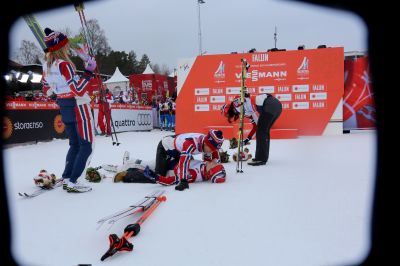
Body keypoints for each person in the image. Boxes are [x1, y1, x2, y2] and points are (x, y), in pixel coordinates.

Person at [41, 27, 96, 193]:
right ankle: (73, 181)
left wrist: (59, 93)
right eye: (65, 45)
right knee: (86, 146)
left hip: (64, 106)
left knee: (74, 144)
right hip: (78, 106)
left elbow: (46, 90)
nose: (68, 48)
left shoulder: (46, 65)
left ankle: (66, 177)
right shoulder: (65, 64)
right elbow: (78, 90)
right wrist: (88, 72)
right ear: (60, 47)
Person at [90, 151, 226, 186]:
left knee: (141, 166)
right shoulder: (204, 167)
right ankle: (127, 162)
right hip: (171, 162)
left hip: (167, 168)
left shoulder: (194, 175)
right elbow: (212, 154)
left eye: (214, 165)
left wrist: (156, 177)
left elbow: (172, 180)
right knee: (144, 162)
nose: (213, 161)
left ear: (210, 172)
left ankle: (117, 168)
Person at [221, 92, 282, 166]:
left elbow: (240, 97)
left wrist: (244, 95)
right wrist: (247, 140)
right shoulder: (246, 113)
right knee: (263, 131)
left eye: (228, 115)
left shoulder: (235, 103)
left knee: (261, 131)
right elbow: (256, 126)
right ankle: (263, 158)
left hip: (269, 104)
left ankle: (260, 159)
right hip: (276, 107)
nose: (231, 117)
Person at [154, 129, 224, 191]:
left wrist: (218, 169)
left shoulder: (208, 143)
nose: (212, 152)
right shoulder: (192, 143)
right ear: (206, 144)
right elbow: (184, 161)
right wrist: (183, 180)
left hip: (179, 151)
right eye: (211, 149)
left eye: (214, 150)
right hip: (166, 147)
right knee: (159, 174)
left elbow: (213, 159)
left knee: (167, 167)